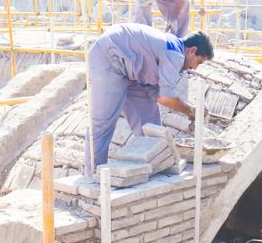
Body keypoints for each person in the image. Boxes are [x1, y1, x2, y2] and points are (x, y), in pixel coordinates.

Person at [84, 23, 213, 177]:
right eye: (198, 62)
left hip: (132, 73)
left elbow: (156, 94)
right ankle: (92, 176)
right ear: (192, 51)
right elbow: (166, 98)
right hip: (109, 57)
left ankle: (156, 167)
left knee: (151, 127)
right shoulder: (175, 54)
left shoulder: (171, 49)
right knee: (102, 123)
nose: (195, 68)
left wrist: (189, 110)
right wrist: (190, 111)